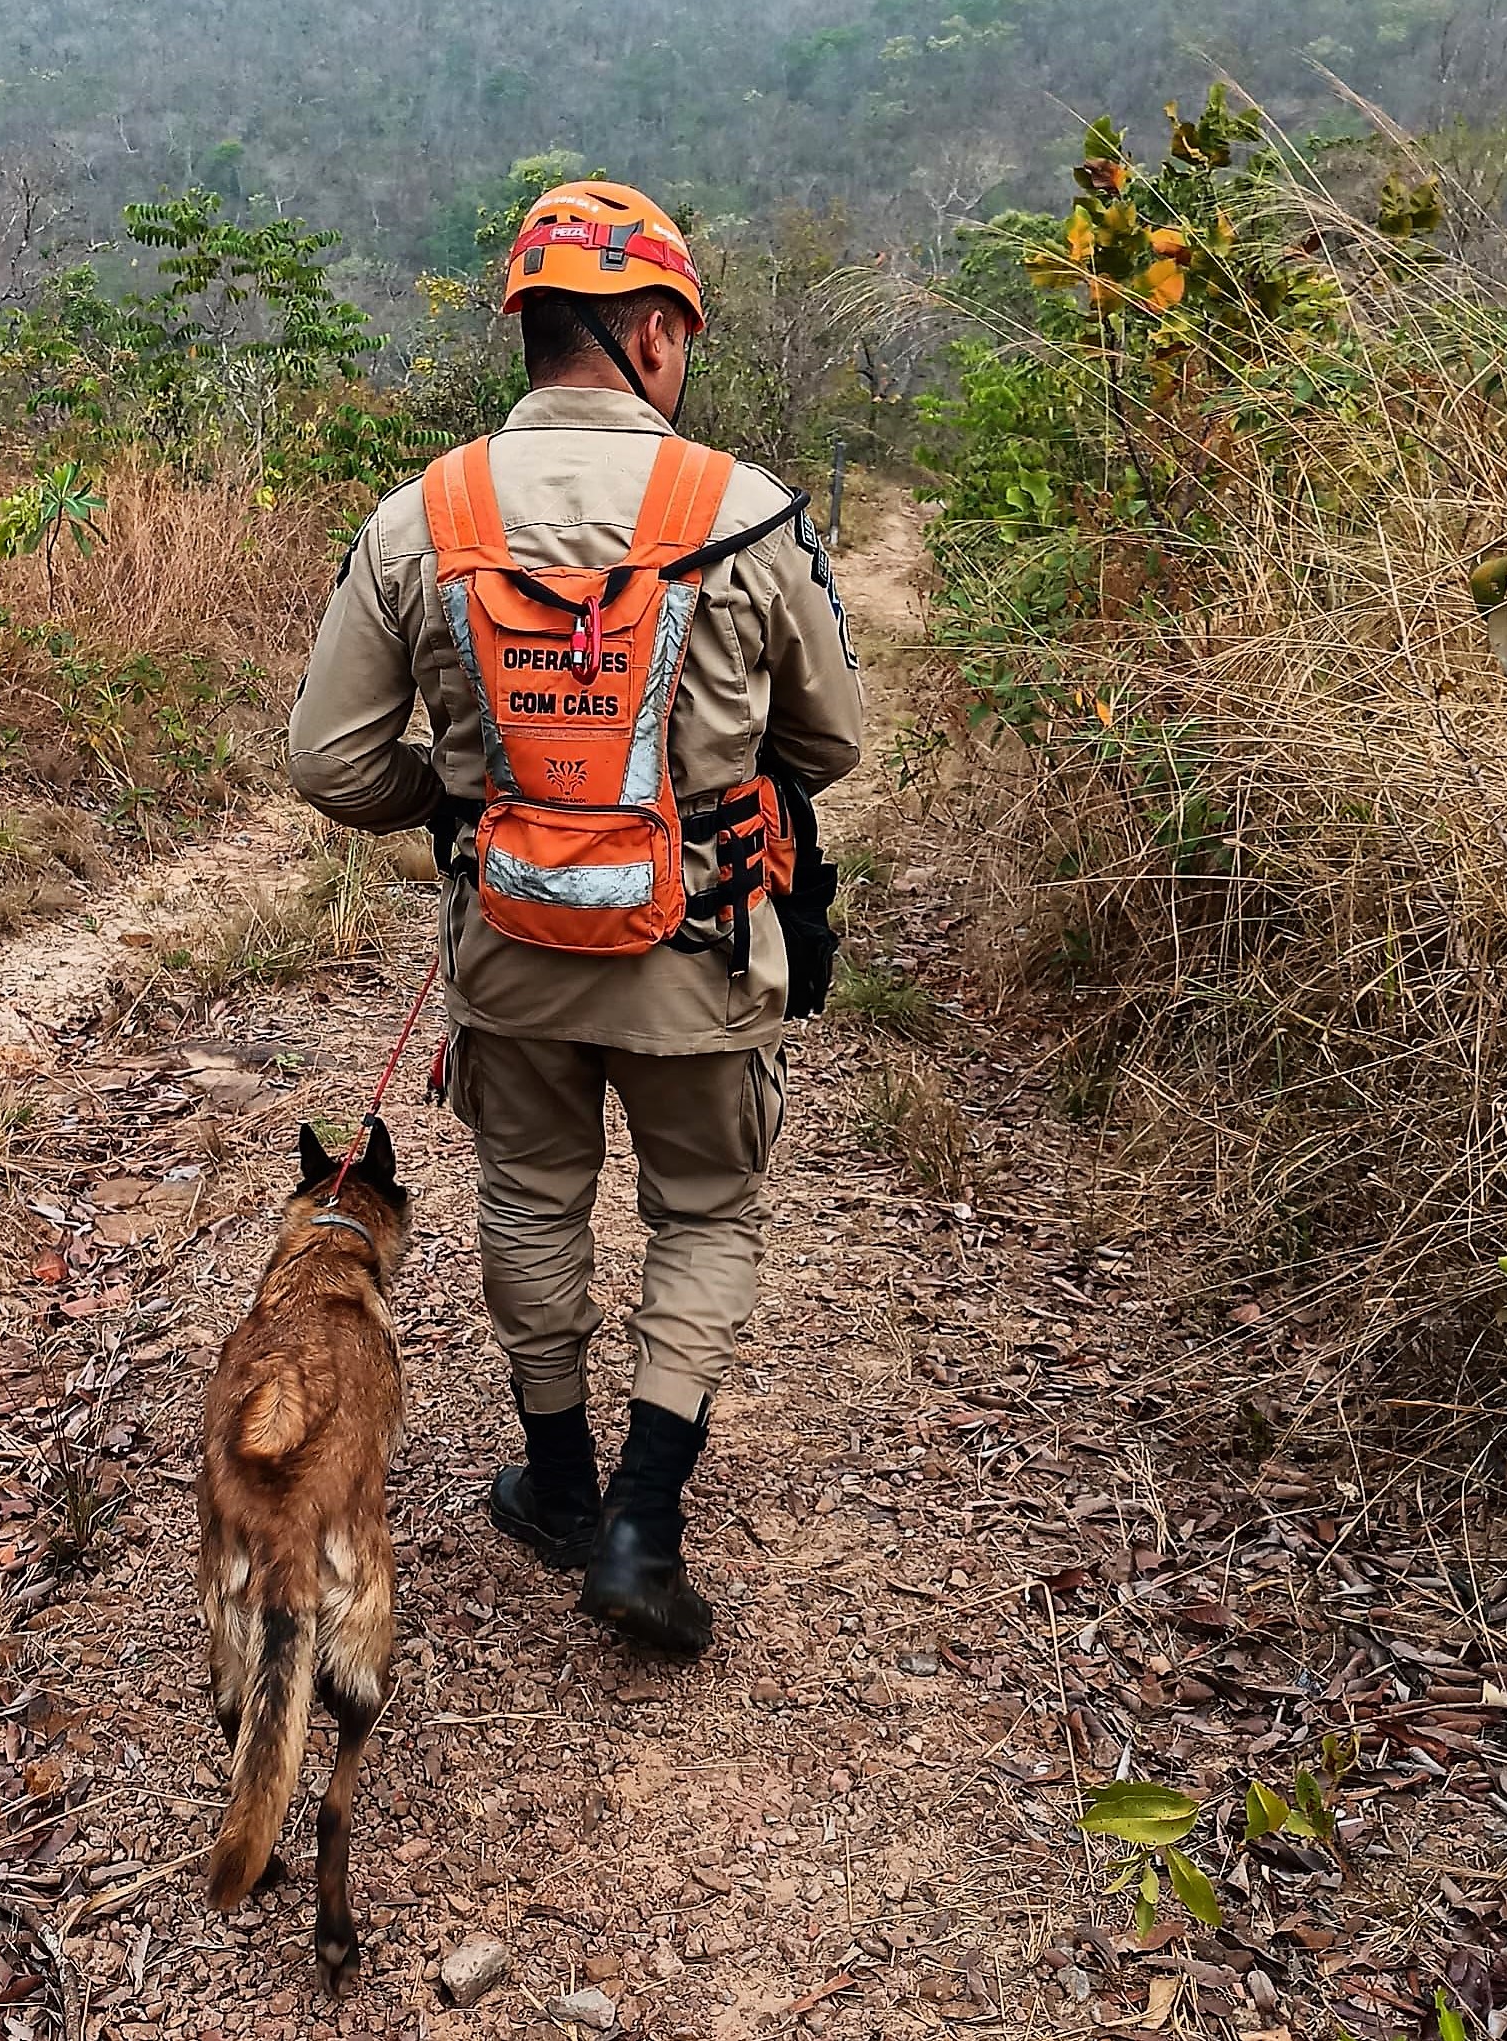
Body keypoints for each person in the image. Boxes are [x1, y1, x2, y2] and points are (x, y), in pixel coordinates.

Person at [287, 180, 863, 1655]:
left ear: (530, 330)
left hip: (512, 955)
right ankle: (642, 1529)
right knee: (706, 1211)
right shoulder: (743, 512)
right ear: (660, 333)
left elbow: (330, 760)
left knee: (533, 1199)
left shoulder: (426, 515)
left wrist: (460, 809)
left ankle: (554, 1481)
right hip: (703, 949)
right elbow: (836, 741)